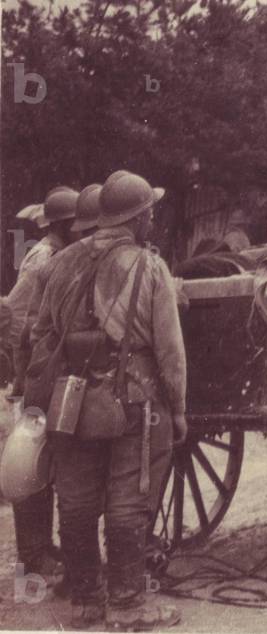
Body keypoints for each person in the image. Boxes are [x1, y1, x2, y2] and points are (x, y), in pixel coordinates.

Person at [28, 171, 187, 630]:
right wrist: (177, 411)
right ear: (138, 220)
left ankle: (85, 606)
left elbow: (40, 337)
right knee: (128, 503)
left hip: (69, 402)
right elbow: (170, 352)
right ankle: (129, 607)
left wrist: (41, 401)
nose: (153, 220)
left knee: (75, 502)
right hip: (134, 402)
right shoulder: (150, 266)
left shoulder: (60, 264)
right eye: (150, 213)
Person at [4, 186, 81, 594]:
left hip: (38, 370)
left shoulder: (52, 253)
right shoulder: (46, 258)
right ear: (67, 226)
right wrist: (26, 374)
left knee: (44, 463)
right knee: (32, 466)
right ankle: (32, 557)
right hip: (36, 374)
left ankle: (41, 550)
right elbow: (18, 316)